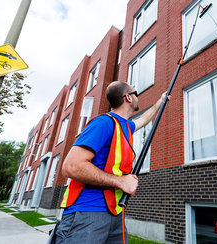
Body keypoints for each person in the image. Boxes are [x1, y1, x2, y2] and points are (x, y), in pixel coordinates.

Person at [55, 81, 168, 243]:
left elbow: (143, 119)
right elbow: (71, 166)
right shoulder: (104, 123)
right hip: (87, 214)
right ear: (128, 98)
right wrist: (121, 182)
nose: (138, 96)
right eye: (136, 93)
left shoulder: (125, 126)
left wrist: (160, 102)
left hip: (115, 213)